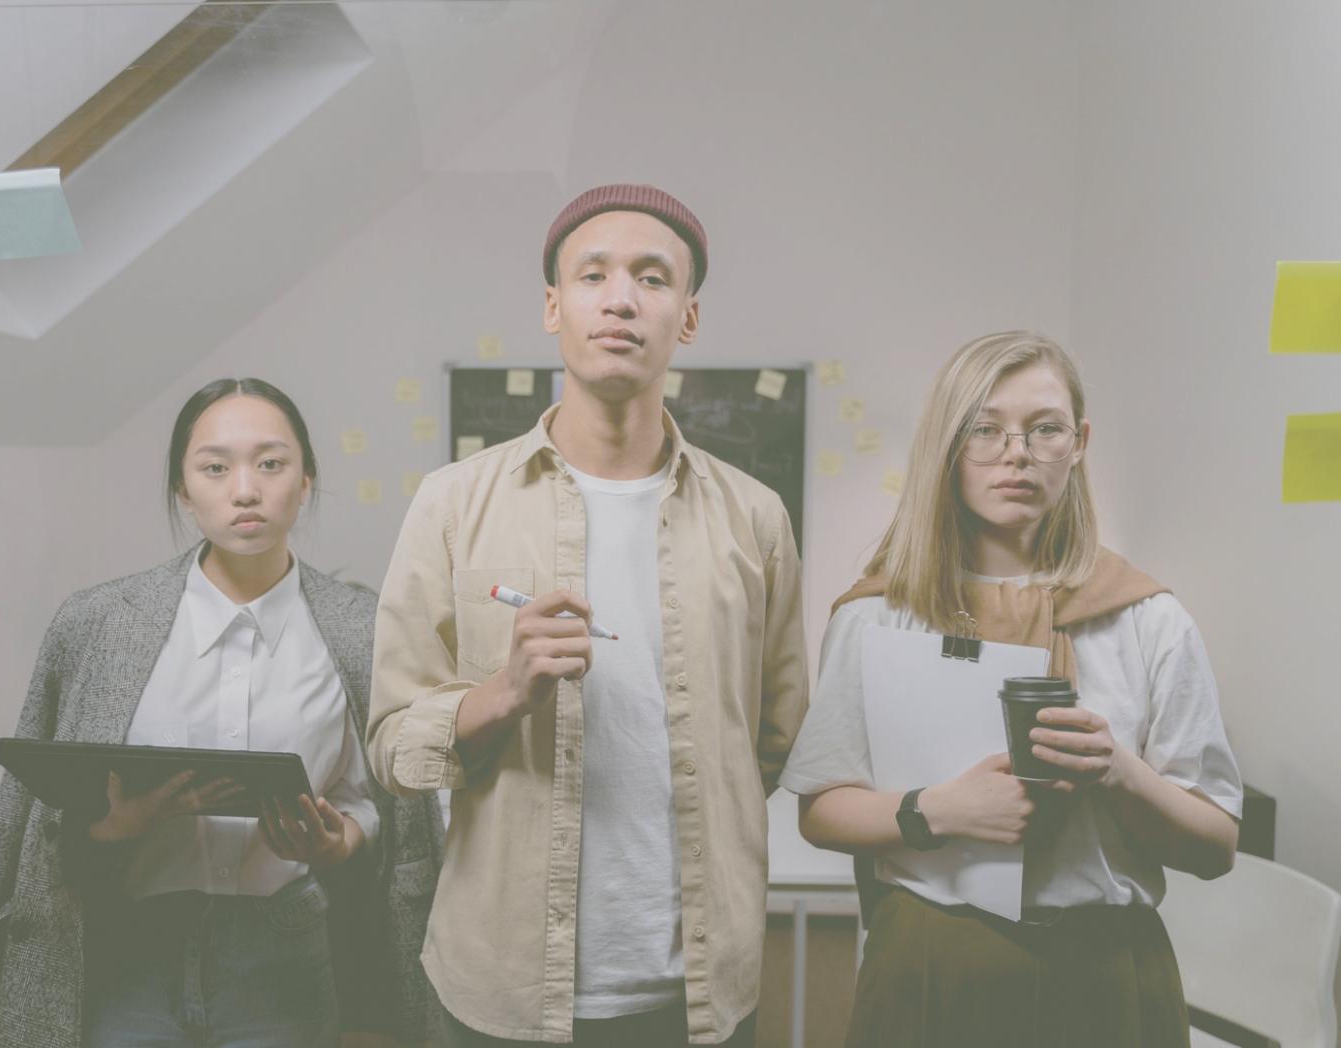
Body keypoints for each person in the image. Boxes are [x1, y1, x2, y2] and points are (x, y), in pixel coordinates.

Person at [366, 184, 809, 1047]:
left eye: (651, 278)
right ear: (551, 306)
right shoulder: (451, 503)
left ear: (686, 317)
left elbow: (773, 739)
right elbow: (392, 743)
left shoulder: (755, 518)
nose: (619, 298)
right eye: (592, 275)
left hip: (700, 994)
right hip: (499, 985)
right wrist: (500, 693)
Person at [0, 377, 443, 1048]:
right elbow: (39, 824)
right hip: (129, 943)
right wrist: (115, 828)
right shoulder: (98, 623)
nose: (244, 489)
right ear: (183, 489)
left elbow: (375, 801)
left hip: (286, 951)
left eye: (271, 463)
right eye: (215, 467)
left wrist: (337, 842)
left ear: (305, 481)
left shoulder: (362, 630)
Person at [782, 331, 1242, 1048]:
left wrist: (1120, 773)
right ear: (946, 444)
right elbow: (821, 808)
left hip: (1106, 970)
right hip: (931, 963)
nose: (1015, 453)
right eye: (983, 428)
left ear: (1078, 442)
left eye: (1043, 428)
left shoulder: (1147, 618)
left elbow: (1215, 846)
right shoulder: (877, 615)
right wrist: (935, 810)